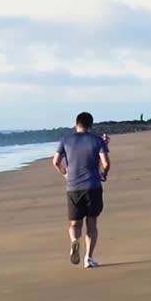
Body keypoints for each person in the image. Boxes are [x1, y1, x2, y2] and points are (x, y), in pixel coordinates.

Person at [52, 112, 110, 268]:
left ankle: (74, 241)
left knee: (75, 223)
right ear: (91, 125)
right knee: (91, 223)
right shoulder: (97, 140)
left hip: (73, 187)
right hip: (93, 186)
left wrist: (65, 174)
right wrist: (104, 174)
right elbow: (105, 163)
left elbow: (55, 161)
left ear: (76, 124)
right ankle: (88, 258)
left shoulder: (66, 140)